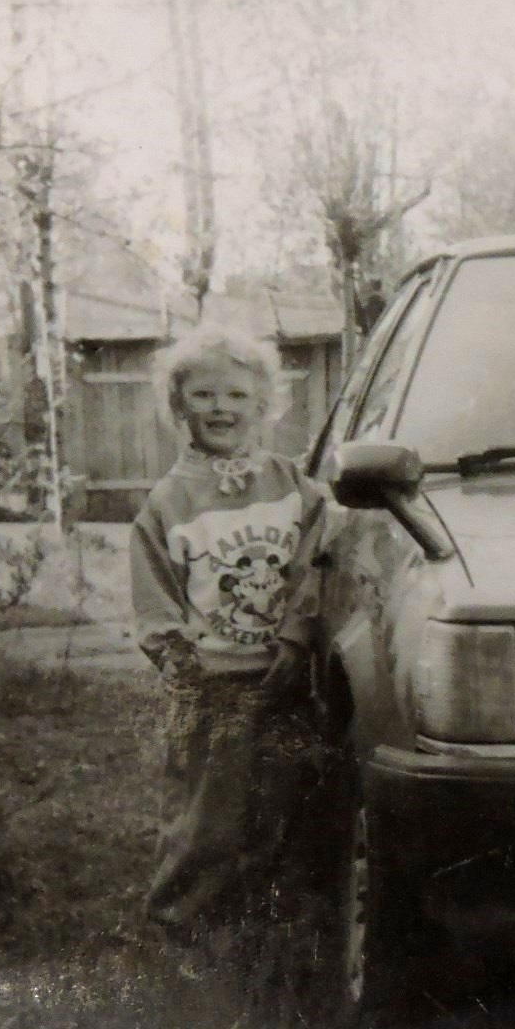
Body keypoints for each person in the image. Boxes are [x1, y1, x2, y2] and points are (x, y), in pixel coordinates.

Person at [129, 323, 324, 955]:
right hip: (211, 685)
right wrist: (179, 659)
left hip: (285, 678)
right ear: (178, 405)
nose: (221, 408)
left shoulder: (293, 487)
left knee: (281, 803)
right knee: (207, 814)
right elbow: (155, 595)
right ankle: (181, 924)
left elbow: (315, 564)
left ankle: (260, 924)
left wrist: (295, 637)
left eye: (237, 395)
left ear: (264, 405)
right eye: (204, 395)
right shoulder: (169, 502)